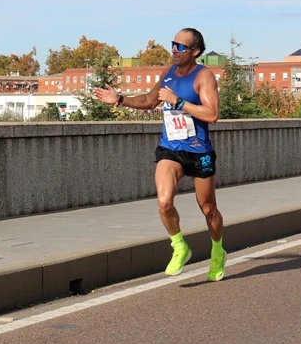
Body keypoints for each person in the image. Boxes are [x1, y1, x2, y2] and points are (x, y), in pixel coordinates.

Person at [92, 28, 226, 281]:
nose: (174, 50)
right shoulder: (168, 74)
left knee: (208, 209)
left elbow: (212, 115)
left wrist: (178, 102)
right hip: (171, 148)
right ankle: (179, 246)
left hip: (199, 151)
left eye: (181, 46)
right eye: (173, 44)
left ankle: (218, 250)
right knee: (164, 201)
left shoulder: (203, 76)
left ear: (195, 51)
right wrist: (119, 99)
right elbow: (150, 101)